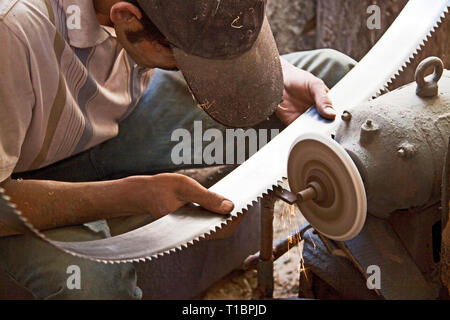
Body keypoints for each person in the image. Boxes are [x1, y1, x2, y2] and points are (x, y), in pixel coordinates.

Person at [0, 0, 356, 299]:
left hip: (120, 116)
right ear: (125, 18)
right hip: (19, 182)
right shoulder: (11, 30)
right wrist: (133, 196)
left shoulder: (140, 18)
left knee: (337, 83)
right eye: (185, 59)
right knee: (92, 285)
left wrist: (270, 78)